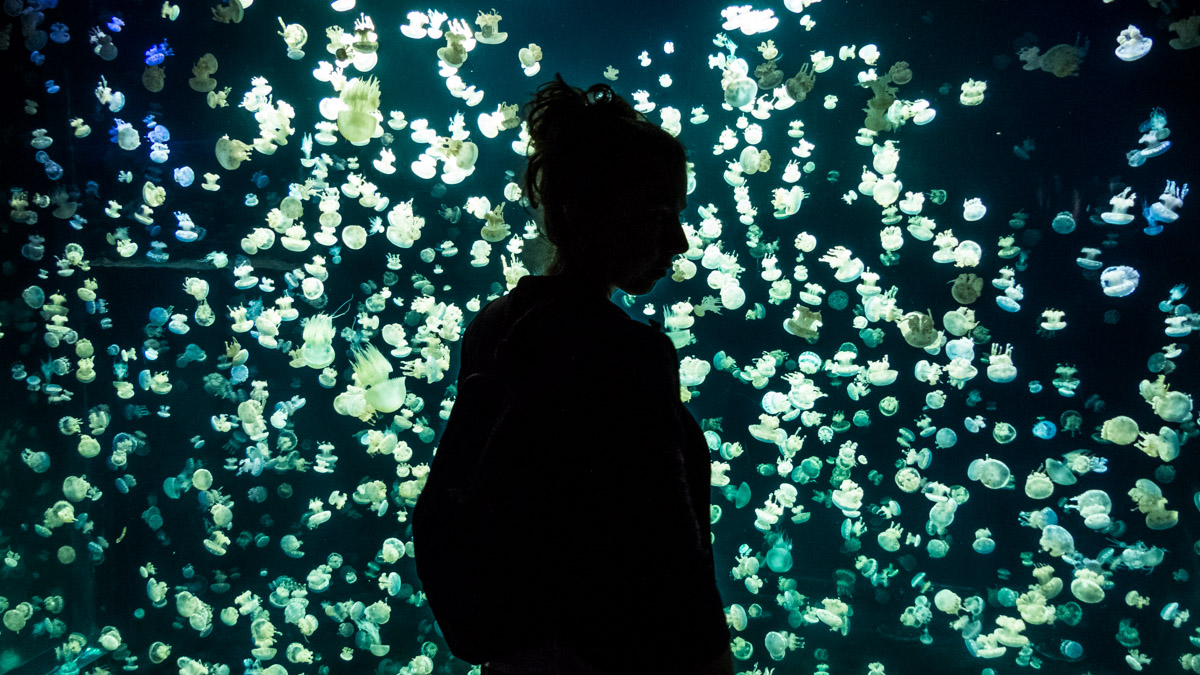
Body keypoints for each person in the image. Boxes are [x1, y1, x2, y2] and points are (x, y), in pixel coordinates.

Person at [413, 74, 732, 675]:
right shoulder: (628, 353)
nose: (680, 241)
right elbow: (671, 559)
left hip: (512, 656)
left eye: (678, 215)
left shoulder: (494, 326)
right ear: (582, 211)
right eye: (658, 215)